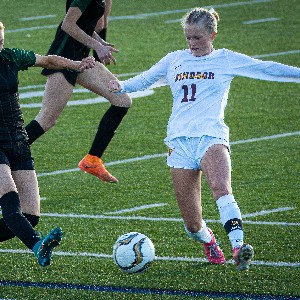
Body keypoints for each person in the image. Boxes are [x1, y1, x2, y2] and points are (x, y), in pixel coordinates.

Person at [108, 7, 300, 271]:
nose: (191, 44)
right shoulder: (174, 59)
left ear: (213, 35)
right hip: (179, 142)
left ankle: (238, 247)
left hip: (211, 136)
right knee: (192, 224)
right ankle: (208, 241)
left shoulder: (225, 60)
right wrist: (121, 86)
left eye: (197, 38)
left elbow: (266, 68)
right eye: (188, 37)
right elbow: (146, 79)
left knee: (221, 188)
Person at [0, 21, 95, 267]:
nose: (0, 45)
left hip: (18, 141)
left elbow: (48, 61)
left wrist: (75, 64)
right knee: (11, 205)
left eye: (1, 40)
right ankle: (38, 245)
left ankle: (35, 240)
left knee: (30, 215)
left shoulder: (10, 58)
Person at [25, 0, 132, 183]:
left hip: (82, 58)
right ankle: (7, 153)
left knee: (122, 100)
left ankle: (92, 160)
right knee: (47, 119)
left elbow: (85, 24)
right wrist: (97, 46)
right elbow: (68, 25)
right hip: (65, 56)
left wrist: (100, 42)